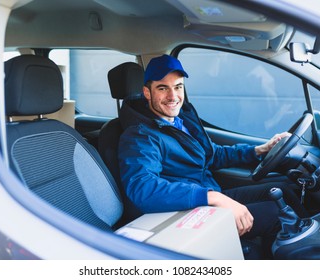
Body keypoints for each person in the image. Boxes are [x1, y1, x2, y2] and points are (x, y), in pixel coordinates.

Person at [117, 54, 307, 259]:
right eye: (163, 88)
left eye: (178, 86)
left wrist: (259, 150)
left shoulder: (180, 118)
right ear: (147, 92)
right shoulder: (140, 135)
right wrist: (212, 197)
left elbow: (211, 155)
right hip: (186, 211)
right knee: (277, 215)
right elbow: (142, 188)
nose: (173, 96)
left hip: (207, 194)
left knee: (283, 192)